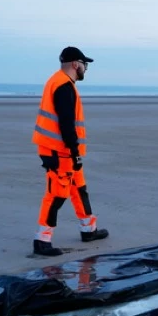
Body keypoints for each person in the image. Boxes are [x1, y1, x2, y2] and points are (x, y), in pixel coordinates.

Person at [31, 46, 109, 256]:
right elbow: (66, 124)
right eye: (85, 65)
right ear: (76, 64)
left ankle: (88, 229)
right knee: (56, 195)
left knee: (78, 188)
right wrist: (74, 151)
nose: (85, 69)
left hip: (63, 150)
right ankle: (42, 240)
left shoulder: (60, 82)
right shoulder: (63, 86)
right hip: (59, 152)